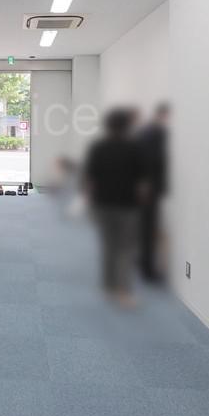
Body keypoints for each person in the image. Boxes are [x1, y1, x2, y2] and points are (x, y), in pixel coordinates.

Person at [84, 109, 148, 306]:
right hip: (127, 205)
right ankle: (122, 291)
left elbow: (90, 179)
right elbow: (142, 182)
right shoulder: (134, 148)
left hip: (103, 204)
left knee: (109, 246)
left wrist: (90, 203)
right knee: (125, 249)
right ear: (127, 126)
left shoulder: (98, 148)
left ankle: (108, 286)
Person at [137, 102, 170, 283]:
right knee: (148, 228)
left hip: (145, 188)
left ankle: (143, 264)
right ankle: (147, 268)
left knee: (145, 227)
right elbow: (152, 161)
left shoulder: (146, 132)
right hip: (149, 189)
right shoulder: (155, 133)